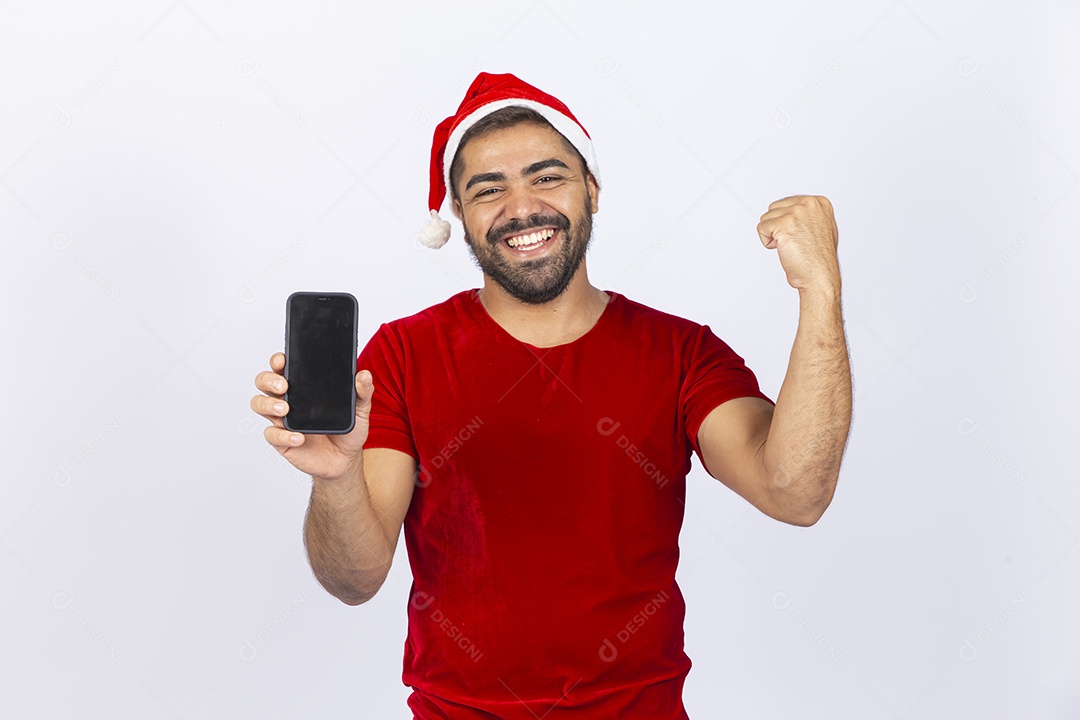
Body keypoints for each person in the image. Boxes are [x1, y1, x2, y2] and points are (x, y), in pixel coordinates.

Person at [250, 72, 852, 719]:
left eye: (547, 177)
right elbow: (354, 579)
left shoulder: (682, 353)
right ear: (457, 213)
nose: (521, 207)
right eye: (488, 189)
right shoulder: (399, 357)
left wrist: (821, 293)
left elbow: (796, 492)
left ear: (591, 188)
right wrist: (338, 478)